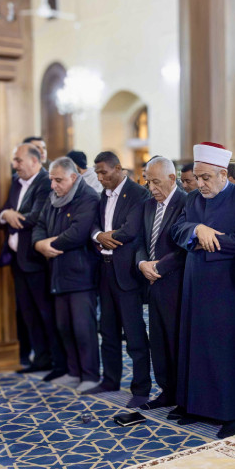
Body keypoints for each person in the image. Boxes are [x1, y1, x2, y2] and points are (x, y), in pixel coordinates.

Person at [170, 142, 235, 438]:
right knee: (196, 345)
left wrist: (209, 239)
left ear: (223, 174)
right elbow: (177, 229)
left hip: (230, 286)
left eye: (207, 177)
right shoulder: (192, 198)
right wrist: (198, 231)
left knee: (228, 349)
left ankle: (233, 413)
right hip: (195, 283)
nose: (201, 184)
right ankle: (196, 405)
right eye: (198, 177)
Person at [86, 152, 151, 401]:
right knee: (108, 329)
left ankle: (141, 387)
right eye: (97, 173)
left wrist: (105, 236)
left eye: (104, 172)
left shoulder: (137, 193)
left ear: (118, 168)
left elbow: (131, 230)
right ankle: (110, 380)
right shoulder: (103, 195)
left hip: (126, 273)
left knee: (134, 333)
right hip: (104, 269)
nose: (100, 178)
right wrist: (98, 236)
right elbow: (93, 225)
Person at [0, 143, 65, 379]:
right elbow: (5, 210)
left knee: (46, 312)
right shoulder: (16, 182)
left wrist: (13, 216)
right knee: (28, 313)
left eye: (18, 160)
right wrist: (6, 214)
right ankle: (41, 358)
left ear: (35, 162)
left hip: (36, 260)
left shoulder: (46, 181)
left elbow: (37, 217)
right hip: (18, 259)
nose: (14, 165)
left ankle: (57, 362)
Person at [32, 157, 101, 389]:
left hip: (81, 275)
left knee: (83, 329)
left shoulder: (88, 197)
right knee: (64, 326)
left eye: (58, 180)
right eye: (52, 180)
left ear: (73, 177)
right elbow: (39, 224)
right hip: (58, 273)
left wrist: (50, 243)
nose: (54, 185)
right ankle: (73, 371)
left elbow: (78, 233)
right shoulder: (54, 198)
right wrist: (39, 245)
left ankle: (90, 376)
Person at [137, 156, 188, 410]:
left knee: (176, 341)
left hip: (176, 284)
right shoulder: (147, 206)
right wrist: (142, 264)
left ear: (171, 178)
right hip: (152, 283)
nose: (151, 187)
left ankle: (182, 395)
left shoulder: (187, 203)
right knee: (157, 341)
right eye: (148, 182)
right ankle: (166, 391)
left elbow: (185, 248)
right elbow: (140, 243)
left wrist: (158, 266)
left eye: (156, 182)